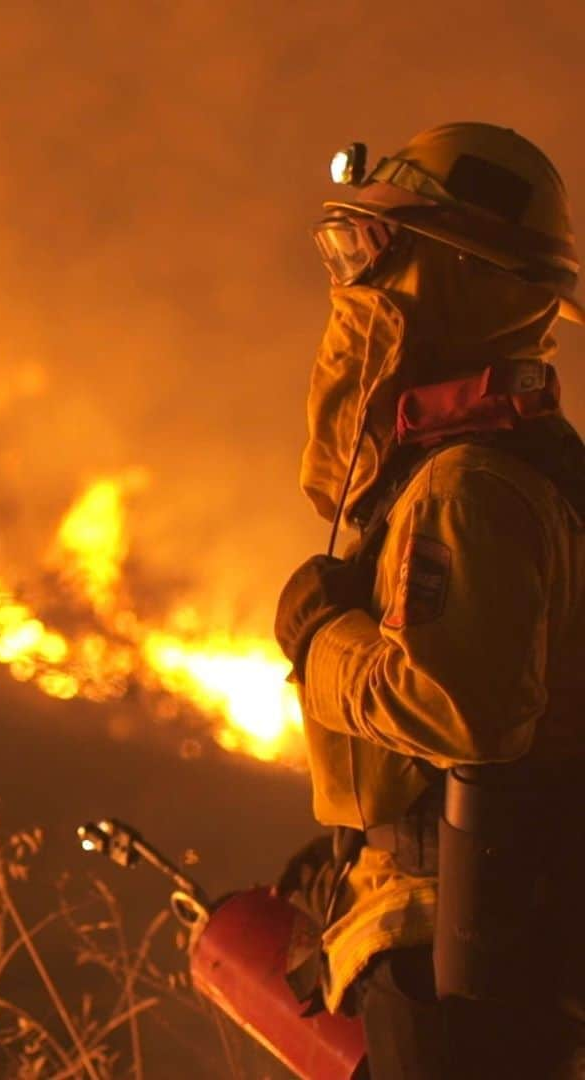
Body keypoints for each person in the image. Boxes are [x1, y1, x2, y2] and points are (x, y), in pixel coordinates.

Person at [273, 122, 585, 1079]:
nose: (353, 279)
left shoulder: (472, 485)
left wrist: (322, 641)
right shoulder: (508, 462)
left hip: (469, 962)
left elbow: (458, 709)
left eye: (373, 249)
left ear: (450, 276)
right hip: (480, 938)